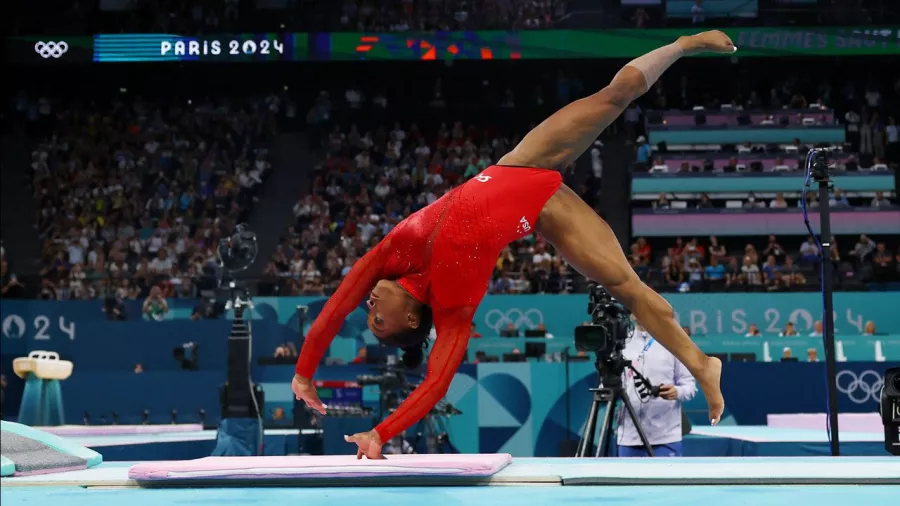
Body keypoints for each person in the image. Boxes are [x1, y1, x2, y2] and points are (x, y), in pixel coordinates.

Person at [293, 31, 735, 459]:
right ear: (410, 317)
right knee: (629, 289)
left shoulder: (389, 257)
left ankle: (681, 45)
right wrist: (380, 433)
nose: (367, 306)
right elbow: (435, 384)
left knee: (612, 97)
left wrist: (304, 374)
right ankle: (701, 363)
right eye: (377, 320)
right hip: (544, 213)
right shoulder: (453, 311)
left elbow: (333, 308)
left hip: (520, 165)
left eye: (368, 315)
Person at [617, 319, 696, 457]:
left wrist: (677, 392)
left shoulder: (674, 343)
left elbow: (689, 385)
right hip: (629, 437)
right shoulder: (621, 344)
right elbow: (608, 384)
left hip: (666, 437)